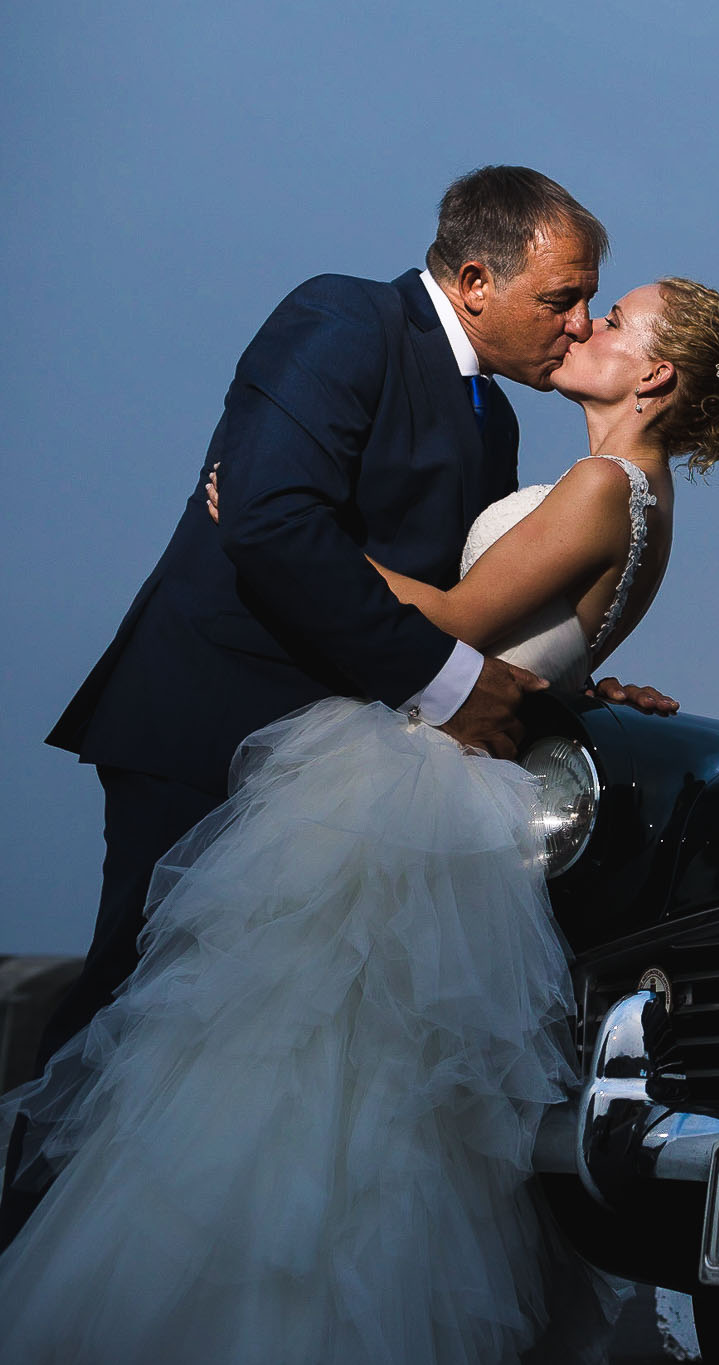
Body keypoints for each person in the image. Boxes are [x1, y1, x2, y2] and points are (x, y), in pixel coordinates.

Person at [0, 275, 719, 1362]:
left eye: (614, 320)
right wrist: (593, 692)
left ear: (652, 372)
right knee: (343, 1085)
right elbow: (533, 638)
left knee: (296, 1069)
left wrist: (289, 534)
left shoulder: (607, 480)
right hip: (449, 781)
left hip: (416, 790)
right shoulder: (632, 489)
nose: (588, 326)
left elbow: (465, 617)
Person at [0, 167, 668, 1245]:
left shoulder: (490, 422)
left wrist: (574, 690)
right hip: (208, 728)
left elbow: (461, 607)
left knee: (254, 1051)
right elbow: (270, 527)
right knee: (132, 1011)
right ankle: (28, 1255)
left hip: (343, 778)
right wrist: (455, 686)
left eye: (590, 302)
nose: (579, 321)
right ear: (474, 278)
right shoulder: (340, 319)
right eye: (563, 298)